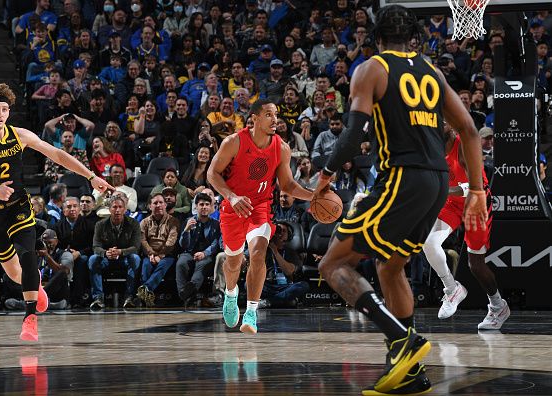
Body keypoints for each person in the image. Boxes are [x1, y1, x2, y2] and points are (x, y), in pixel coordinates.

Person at [311, 6, 487, 395]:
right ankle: (408, 375)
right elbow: (470, 130)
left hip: (401, 179)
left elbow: (353, 133)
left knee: (332, 263)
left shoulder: (371, 68)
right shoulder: (432, 71)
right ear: (413, 39)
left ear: (375, 38)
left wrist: (324, 176)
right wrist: (476, 191)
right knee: (392, 267)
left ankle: (400, 338)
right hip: (438, 183)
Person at [0, 82, 112, 341]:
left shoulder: (20, 135)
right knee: (15, 272)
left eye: (4, 109)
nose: (0, 114)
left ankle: (29, 318)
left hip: (19, 207)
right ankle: (36, 287)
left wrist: (91, 176)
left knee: (29, 256)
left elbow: (57, 154)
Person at [207, 98, 314, 334]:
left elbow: (287, 184)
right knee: (233, 261)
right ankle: (231, 293)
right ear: (254, 119)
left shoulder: (282, 147)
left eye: (276, 115)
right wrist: (231, 197)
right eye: (268, 114)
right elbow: (212, 174)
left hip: (260, 208)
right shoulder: (233, 142)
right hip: (233, 208)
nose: (275, 119)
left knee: (258, 252)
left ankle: (252, 312)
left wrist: (312, 196)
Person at [422, 124, 508, 328]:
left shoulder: (465, 146)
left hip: (476, 203)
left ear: (451, 126)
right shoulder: (431, 146)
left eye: (443, 120)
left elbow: (475, 185)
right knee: (429, 243)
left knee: (475, 265)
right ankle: (452, 289)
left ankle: (498, 306)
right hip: (452, 204)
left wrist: (442, 190)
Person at [137, 193, 180, 307]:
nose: (158, 205)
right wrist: (151, 254)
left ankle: (146, 289)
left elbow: (171, 242)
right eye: (155, 203)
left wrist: (160, 255)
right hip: (149, 254)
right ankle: (147, 299)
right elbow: (142, 241)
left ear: (165, 205)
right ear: (149, 206)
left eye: (161, 202)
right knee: (146, 266)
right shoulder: (144, 222)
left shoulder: (173, 221)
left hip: (167, 255)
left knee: (162, 266)